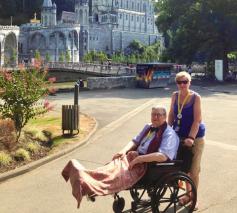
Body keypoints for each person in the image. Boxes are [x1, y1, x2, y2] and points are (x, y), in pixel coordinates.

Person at [62, 105, 179, 208]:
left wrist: (139, 159)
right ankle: (86, 178)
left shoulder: (169, 134)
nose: (155, 117)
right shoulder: (149, 126)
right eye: (153, 114)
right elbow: (135, 141)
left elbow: (163, 156)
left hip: (147, 165)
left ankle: (89, 185)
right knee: (110, 168)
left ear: (164, 117)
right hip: (133, 157)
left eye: (158, 115)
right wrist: (123, 151)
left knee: (117, 175)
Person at [168, 71, 205, 210]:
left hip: (195, 137)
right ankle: (188, 195)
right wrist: (168, 131)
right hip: (179, 136)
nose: (182, 84)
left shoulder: (196, 97)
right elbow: (172, 113)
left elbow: (197, 120)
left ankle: (194, 197)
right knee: (184, 169)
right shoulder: (175, 95)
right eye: (179, 82)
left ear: (189, 82)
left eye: (185, 82)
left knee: (193, 170)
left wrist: (190, 138)